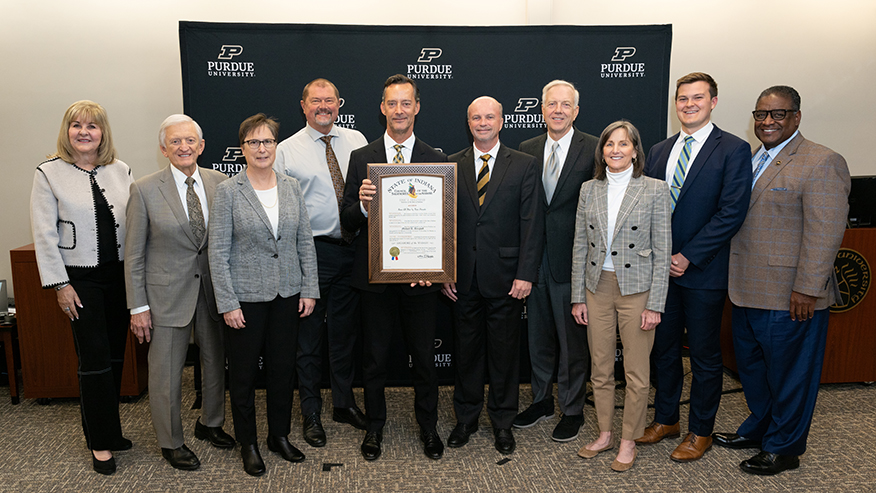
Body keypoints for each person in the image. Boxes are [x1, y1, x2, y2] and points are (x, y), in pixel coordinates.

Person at [713, 85, 850, 475]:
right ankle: (761, 428)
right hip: (746, 290)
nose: (767, 121)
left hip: (792, 296)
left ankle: (785, 447)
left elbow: (826, 232)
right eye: (761, 115)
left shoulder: (821, 161)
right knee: (754, 371)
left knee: (791, 376)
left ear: (796, 117)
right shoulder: (754, 159)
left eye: (778, 114)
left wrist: (808, 287)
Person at [639, 72, 751, 462]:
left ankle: (700, 430)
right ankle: (666, 419)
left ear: (713, 102)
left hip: (703, 272)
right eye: (682, 99)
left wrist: (687, 256)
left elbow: (731, 212)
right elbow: (648, 209)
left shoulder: (733, 149)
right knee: (664, 351)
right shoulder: (658, 150)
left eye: (697, 98)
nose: (689, 105)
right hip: (659, 273)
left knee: (704, 356)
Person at [340, 74, 445, 461]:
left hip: (420, 280)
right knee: (374, 360)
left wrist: (435, 267)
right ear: (382, 107)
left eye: (406, 103)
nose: (399, 110)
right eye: (392, 103)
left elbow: (444, 225)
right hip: (375, 281)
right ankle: (375, 427)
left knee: (425, 360)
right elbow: (346, 222)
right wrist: (364, 205)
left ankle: (429, 427)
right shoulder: (361, 158)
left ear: (416, 107)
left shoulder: (437, 160)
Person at [209, 113, 319, 477]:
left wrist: (309, 288)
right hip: (245, 301)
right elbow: (217, 251)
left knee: (282, 370)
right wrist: (227, 303)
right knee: (241, 376)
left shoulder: (290, 186)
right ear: (242, 148)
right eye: (253, 142)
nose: (261, 148)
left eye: (268, 141)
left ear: (276, 145)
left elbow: (305, 240)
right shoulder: (228, 190)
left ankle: (279, 436)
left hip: (287, 293)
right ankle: (249, 443)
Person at [124, 114, 234, 471]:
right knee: (167, 373)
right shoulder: (143, 189)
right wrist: (137, 306)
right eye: (175, 142)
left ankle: (210, 423)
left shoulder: (223, 183)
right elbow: (134, 254)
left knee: (215, 363)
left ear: (201, 146)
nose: (183, 147)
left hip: (213, 292)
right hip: (166, 298)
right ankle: (171, 441)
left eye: (190, 141)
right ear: (163, 149)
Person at [30, 100, 134, 475]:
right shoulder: (49, 173)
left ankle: (111, 430)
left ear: (102, 133)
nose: (84, 132)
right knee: (93, 362)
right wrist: (60, 284)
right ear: (67, 131)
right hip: (80, 281)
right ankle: (101, 444)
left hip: (119, 278)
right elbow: (43, 235)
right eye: (77, 125)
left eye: (92, 126)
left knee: (116, 359)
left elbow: (134, 223)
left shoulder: (120, 170)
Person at [442, 96, 543, 455]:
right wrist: (445, 271)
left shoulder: (524, 164)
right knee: (466, 353)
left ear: (502, 121)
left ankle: (502, 422)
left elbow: (532, 224)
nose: (482, 123)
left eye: (489, 117)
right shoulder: (451, 164)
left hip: (507, 278)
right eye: (475, 118)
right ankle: (466, 419)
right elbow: (445, 224)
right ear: (468, 123)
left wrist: (525, 274)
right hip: (463, 280)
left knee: (503, 355)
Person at [273, 78, 369, 448]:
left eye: (330, 100)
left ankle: (343, 403)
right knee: (309, 339)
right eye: (316, 101)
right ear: (303, 105)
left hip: (356, 249)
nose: (323, 106)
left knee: (345, 335)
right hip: (312, 254)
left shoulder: (357, 140)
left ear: (339, 104)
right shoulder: (286, 150)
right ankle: (311, 412)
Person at [571, 120, 671, 472]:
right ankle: (605, 433)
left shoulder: (656, 189)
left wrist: (656, 304)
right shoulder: (589, 189)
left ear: (635, 150)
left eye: (623, 144)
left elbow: (663, 249)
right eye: (609, 144)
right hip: (597, 287)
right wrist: (577, 297)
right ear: (602, 150)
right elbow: (580, 245)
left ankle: (629, 438)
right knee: (599, 368)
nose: (615, 150)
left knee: (636, 371)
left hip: (638, 290)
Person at [516, 80, 598, 442]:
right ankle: (541, 400)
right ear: (543, 109)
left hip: (572, 260)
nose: (559, 110)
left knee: (572, 342)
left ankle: (573, 408)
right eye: (552, 104)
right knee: (538, 338)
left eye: (566, 105)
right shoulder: (527, 148)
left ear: (576, 111)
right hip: (534, 260)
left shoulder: (594, 148)